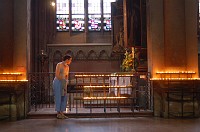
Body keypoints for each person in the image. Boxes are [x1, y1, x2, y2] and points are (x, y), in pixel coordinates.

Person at [53, 54, 72, 119]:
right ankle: (58, 113)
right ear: (67, 59)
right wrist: (62, 80)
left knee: (64, 97)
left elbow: (67, 75)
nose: (70, 61)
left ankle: (62, 112)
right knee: (58, 96)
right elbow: (57, 74)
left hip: (64, 82)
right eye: (70, 60)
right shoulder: (59, 65)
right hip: (58, 82)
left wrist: (66, 82)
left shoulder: (67, 67)